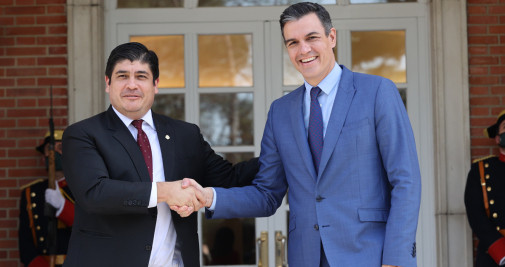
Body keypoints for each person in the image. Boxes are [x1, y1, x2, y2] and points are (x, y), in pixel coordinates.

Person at [176, 2, 422, 267]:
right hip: (306, 257)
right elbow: (267, 194)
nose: (303, 50)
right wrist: (211, 197)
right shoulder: (280, 112)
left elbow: (405, 180)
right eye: (292, 42)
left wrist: (395, 260)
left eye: (312, 38)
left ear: (332, 37)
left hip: (369, 255)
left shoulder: (376, 92)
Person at [61, 42, 258, 266]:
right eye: (122, 76)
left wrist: (283, 156)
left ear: (155, 84)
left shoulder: (185, 134)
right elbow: (95, 193)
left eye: (141, 76)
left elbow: (230, 178)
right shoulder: (82, 134)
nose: (131, 85)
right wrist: (166, 191)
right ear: (108, 83)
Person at [18, 130, 74, 267]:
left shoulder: (81, 188)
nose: (53, 154)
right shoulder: (31, 193)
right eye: (49, 149)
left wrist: (63, 207)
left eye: (60, 148)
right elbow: (25, 243)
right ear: (43, 158)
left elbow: (91, 227)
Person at [465, 109, 505, 267]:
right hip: (494, 255)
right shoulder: (480, 170)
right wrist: (501, 252)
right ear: (497, 138)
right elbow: (476, 215)